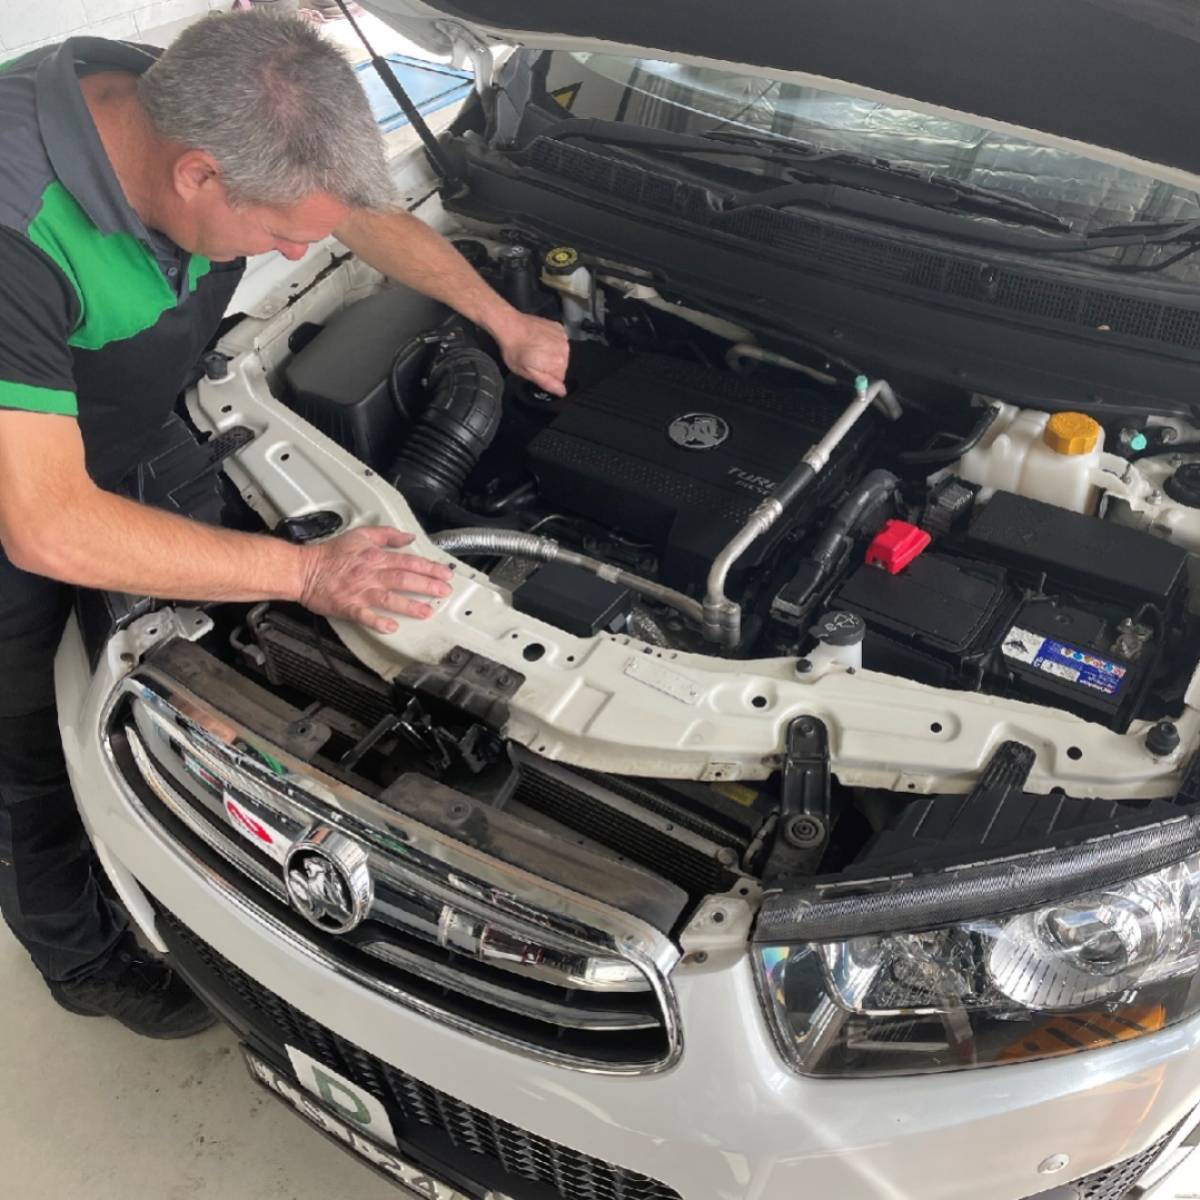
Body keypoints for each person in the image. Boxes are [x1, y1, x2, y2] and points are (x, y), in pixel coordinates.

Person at [0, 10, 568, 1038]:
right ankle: (84, 960)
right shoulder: (12, 226)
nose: (301, 252)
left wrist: (501, 317)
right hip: (22, 492)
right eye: (280, 239)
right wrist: (307, 575)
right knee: (22, 751)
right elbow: (45, 525)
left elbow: (351, 214)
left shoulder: (195, 90)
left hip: (121, 417)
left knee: (222, 624)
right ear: (198, 177)